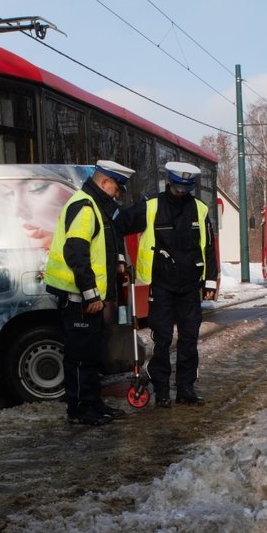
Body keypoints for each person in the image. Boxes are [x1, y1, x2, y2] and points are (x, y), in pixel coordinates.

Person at [117, 161, 217, 408]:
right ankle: (161, 391)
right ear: (169, 183)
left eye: (186, 189)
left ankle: (185, 388)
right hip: (161, 285)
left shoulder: (200, 210)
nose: (181, 193)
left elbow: (208, 248)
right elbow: (117, 225)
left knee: (189, 339)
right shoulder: (151, 207)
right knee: (162, 339)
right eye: (177, 188)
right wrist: (121, 258)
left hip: (190, 286)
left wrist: (210, 280)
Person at [43, 160, 135, 426]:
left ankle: (93, 403)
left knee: (91, 354)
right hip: (79, 299)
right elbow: (76, 253)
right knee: (81, 356)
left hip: (86, 298)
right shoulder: (84, 207)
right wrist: (91, 294)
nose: (117, 194)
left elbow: (99, 247)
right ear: (105, 182)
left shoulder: (95, 207)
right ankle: (80, 409)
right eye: (116, 188)